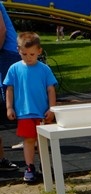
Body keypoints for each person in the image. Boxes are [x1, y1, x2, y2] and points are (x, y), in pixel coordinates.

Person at [4, 32, 58, 184]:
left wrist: (52, 109)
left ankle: (45, 166)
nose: (28, 57)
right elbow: (9, 89)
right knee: (28, 140)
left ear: (39, 51)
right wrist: (9, 107)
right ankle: (29, 167)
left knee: (42, 141)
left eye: (32, 54)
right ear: (18, 50)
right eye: (24, 54)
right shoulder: (14, 69)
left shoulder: (44, 69)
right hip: (24, 112)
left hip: (42, 112)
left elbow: (51, 89)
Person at [0, 3, 19, 172]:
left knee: (12, 98)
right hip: (6, 51)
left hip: (6, 52)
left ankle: (32, 138)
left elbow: (1, 30)